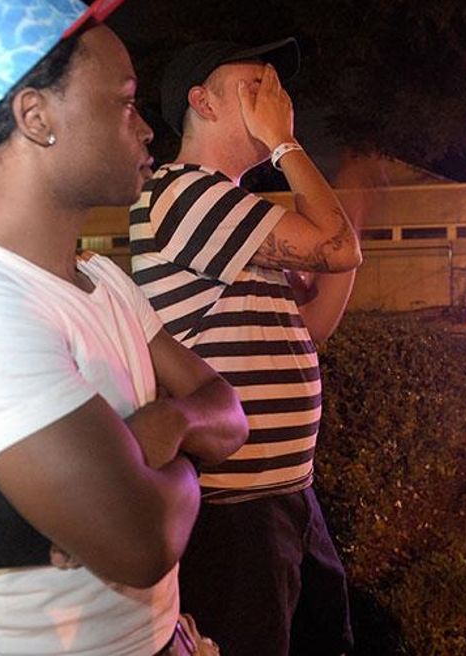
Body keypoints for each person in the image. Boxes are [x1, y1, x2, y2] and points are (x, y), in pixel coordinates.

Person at [0, 0, 248, 654]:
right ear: (36, 117)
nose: (146, 130)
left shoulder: (104, 279)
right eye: (124, 101)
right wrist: (163, 455)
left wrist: (164, 425)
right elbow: (142, 539)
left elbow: (229, 415)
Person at [129, 38, 362, 656]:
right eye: (255, 86)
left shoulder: (234, 213)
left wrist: (344, 242)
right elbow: (336, 247)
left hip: (285, 497)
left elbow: (309, 328)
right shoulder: (184, 193)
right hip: (236, 516)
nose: (275, 100)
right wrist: (288, 146)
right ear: (200, 102)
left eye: (276, 88)